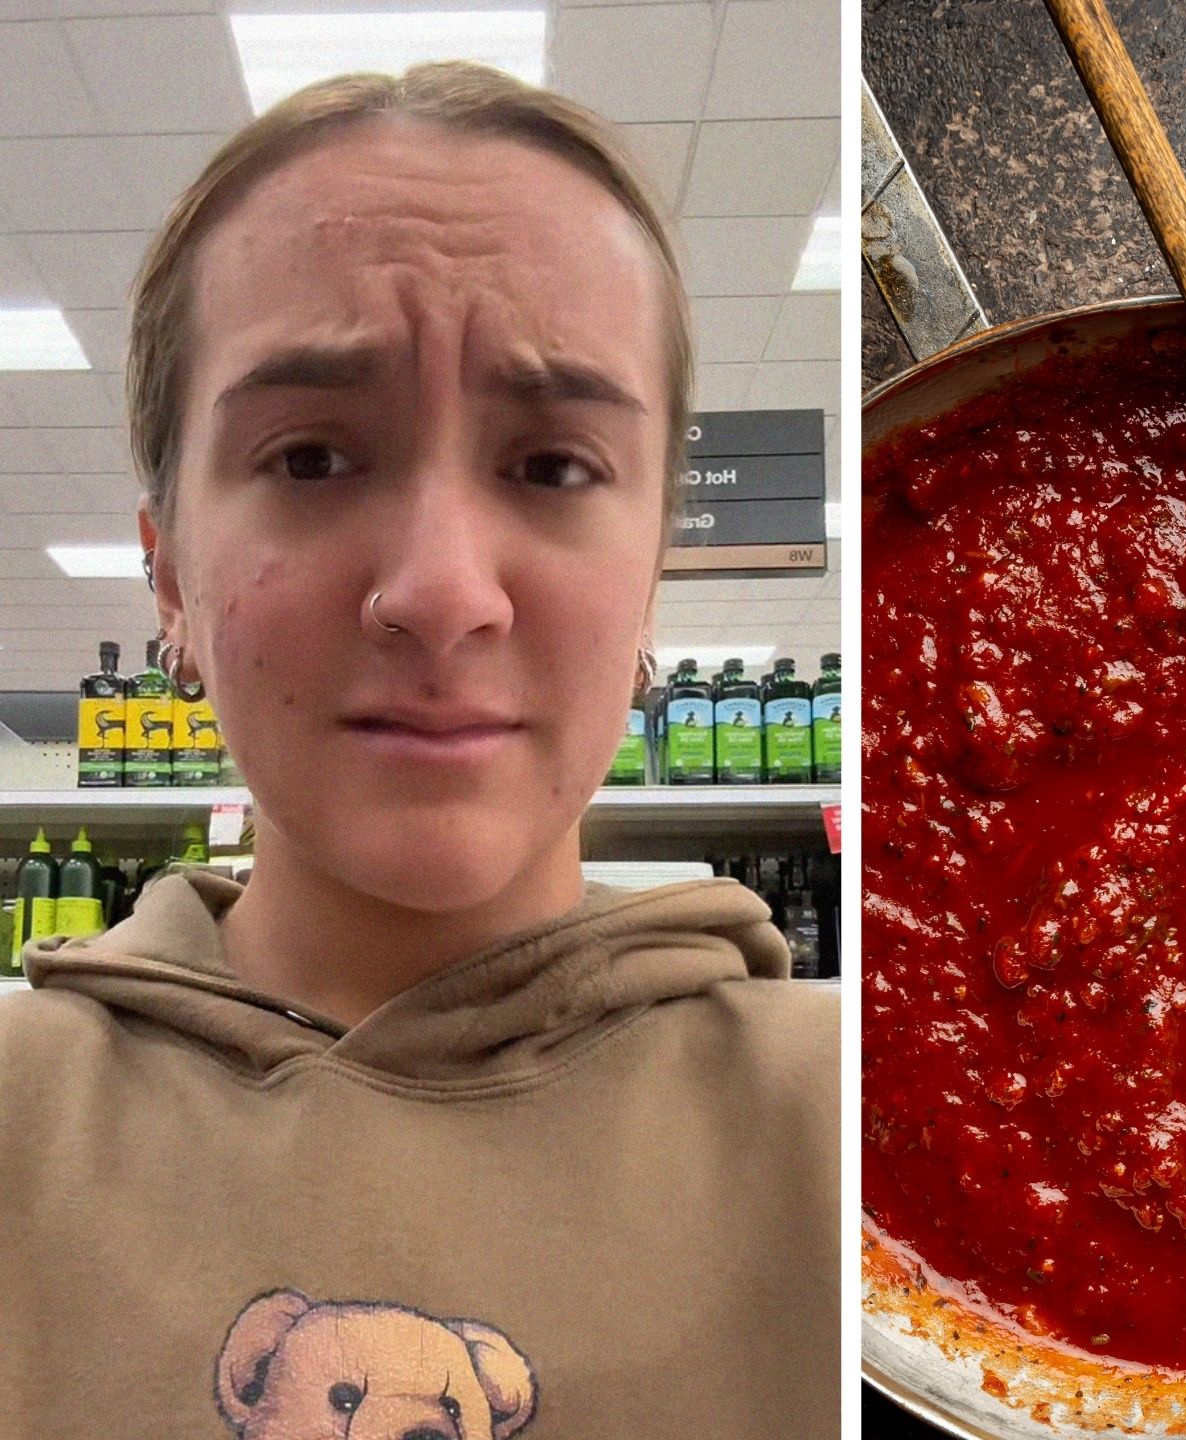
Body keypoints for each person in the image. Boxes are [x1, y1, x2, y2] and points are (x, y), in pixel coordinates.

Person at [0, 64, 836, 1434]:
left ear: (652, 578)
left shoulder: (850, 1139)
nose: (445, 592)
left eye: (554, 466)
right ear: (169, 577)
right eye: (313, 459)